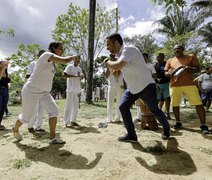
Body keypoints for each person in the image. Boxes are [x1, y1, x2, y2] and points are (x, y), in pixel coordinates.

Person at [104, 33, 170, 142]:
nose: (107, 48)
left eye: (108, 44)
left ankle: (166, 128)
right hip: (132, 88)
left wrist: (107, 62)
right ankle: (132, 135)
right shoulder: (118, 56)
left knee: (154, 110)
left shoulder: (129, 49)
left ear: (116, 42)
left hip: (146, 86)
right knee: (123, 107)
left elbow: (117, 66)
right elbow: (115, 69)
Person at [12, 42, 80, 144]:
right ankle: (15, 129)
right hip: (31, 90)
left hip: (44, 92)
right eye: (61, 49)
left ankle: (52, 138)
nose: (62, 51)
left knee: (54, 112)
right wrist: (74, 57)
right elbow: (65, 60)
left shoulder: (52, 64)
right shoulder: (46, 55)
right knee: (26, 117)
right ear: (53, 48)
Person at [164, 45, 210, 133]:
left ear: (183, 49)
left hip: (189, 84)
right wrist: (168, 74)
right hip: (174, 85)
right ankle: (178, 122)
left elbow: (198, 69)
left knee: (198, 104)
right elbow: (166, 71)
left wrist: (190, 68)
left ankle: (203, 125)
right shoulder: (170, 60)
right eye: (175, 49)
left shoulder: (191, 57)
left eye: (179, 48)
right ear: (173, 51)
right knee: (175, 104)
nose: (177, 50)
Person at [26, 50, 46, 133]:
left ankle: (38, 126)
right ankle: (30, 126)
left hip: (43, 89)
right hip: (34, 89)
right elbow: (28, 76)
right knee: (34, 108)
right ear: (39, 56)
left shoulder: (47, 65)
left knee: (42, 108)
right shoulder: (33, 63)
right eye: (42, 54)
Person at [63, 57, 83, 127]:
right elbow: (64, 75)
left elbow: (79, 78)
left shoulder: (80, 69)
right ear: (73, 60)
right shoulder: (69, 66)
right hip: (70, 90)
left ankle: (73, 121)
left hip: (77, 89)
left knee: (76, 106)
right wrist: (74, 76)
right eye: (76, 59)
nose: (78, 60)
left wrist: (81, 77)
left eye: (79, 59)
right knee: (68, 106)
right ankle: (66, 122)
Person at [104, 54, 124, 123]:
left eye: (114, 56)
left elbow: (123, 72)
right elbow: (106, 76)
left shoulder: (120, 64)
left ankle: (117, 118)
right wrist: (107, 66)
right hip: (111, 85)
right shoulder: (108, 65)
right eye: (111, 57)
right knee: (110, 101)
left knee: (119, 101)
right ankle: (109, 118)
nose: (113, 58)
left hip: (120, 84)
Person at [154, 53, 171, 119]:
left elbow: (170, 72)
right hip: (158, 84)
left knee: (167, 98)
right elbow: (154, 74)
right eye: (157, 57)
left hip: (166, 84)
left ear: (163, 57)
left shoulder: (167, 64)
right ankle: (157, 112)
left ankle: (167, 113)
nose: (158, 58)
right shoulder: (156, 65)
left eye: (160, 57)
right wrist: (155, 83)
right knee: (158, 99)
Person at [0, 60, 10, 130]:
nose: (6, 65)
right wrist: (3, 69)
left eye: (6, 64)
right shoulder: (1, 70)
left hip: (5, 90)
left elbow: (8, 81)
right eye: (4, 63)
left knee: (3, 107)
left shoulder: (6, 72)